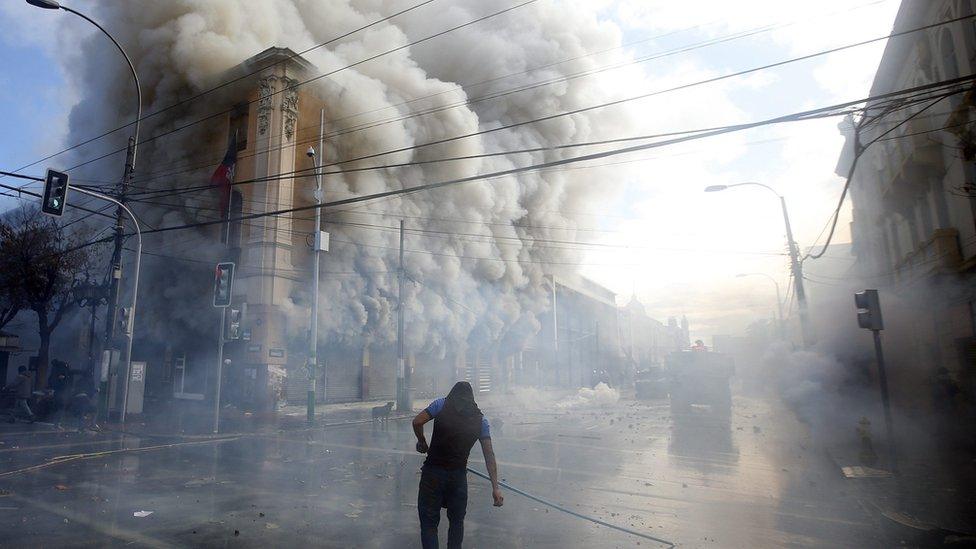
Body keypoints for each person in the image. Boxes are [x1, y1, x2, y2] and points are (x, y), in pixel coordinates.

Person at [412, 381, 503, 548]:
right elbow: (489, 455)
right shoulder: (481, 420)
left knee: (429, 525)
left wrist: (422, 441)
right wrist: (495, 487)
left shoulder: (441, 404)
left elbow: (417, 422)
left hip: (432, 474)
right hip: (458, 478)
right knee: (456, 522)